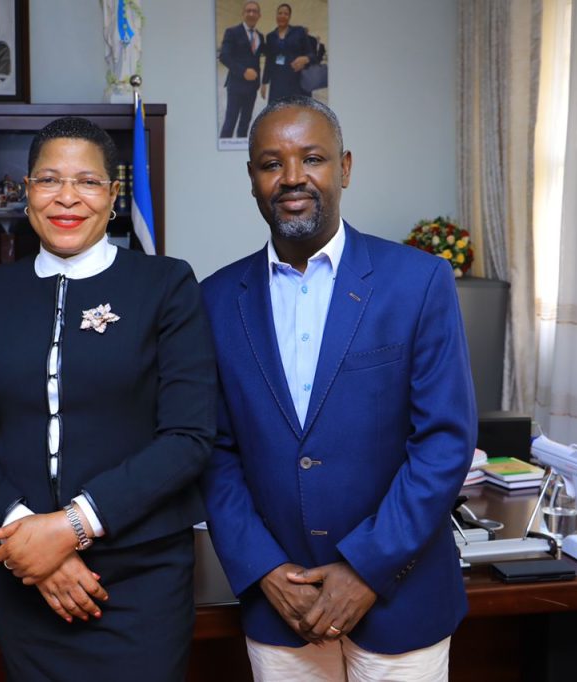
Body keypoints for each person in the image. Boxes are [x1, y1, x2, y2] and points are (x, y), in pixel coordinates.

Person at [200, 97, 476, 680]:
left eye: (313, 158)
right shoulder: (216, 299)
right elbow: (215, 453)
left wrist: (366, 569)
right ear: (252, 179)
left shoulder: (418, 281)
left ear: (344, 168)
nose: (291, 177)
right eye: (271, 163)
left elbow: (444, 443)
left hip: (400, 601)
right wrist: (264, 569)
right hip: (282, 605)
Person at [0, 116, 216, 681]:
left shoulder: (166, 285)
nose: (67, 197)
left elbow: (188, 437)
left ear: (112, 196)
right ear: (27, 192)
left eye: (87, 181)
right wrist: (30, 542)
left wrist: (70, 528)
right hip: (23, 575)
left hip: (141, 578)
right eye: (49, 180)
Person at [219, 1, 265, 139]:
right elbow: (224, 56)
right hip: (236, 86)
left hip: (252, 87)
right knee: (230, 122)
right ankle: (223, 147)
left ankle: (241, 148)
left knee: (245, 123)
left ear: (259, 15)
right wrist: (243, 71)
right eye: (248, 11)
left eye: (254, 11)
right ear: (243, 14)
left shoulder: (260, 36)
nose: (251, 13)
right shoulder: (232, 32)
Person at [260, 4, 314, 103]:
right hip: (277, 82)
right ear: (276, 15)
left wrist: (306, 59)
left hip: (296, 81)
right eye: (280, 13)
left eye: (286, 14)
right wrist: (264, 83)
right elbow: (269, 61)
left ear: (289, 16)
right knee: (277, 109)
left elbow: (311, 54)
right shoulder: (270, 36)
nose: (282, 16)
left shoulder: (299, 31)